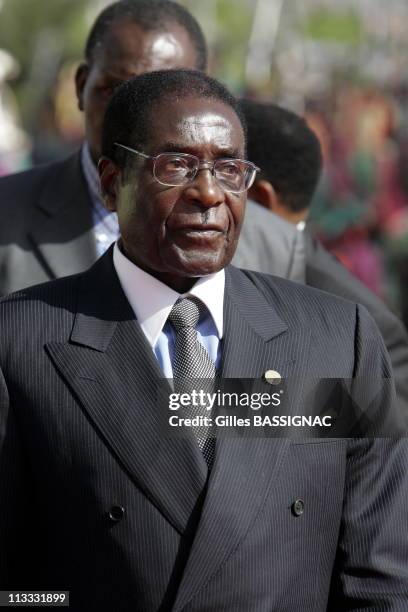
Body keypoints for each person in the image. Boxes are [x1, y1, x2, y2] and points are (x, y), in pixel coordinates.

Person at [0, 69, 406, 611]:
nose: (209, 193)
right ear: (109, 180)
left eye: (230, 168)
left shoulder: (336, 340)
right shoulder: (22, 341)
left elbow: (381, 579)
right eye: (177, 165)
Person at [0, 0, 207, 295]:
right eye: (114, 90)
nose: (133, 117)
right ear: (82, 86)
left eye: (162, 96)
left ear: (205, 98)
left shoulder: (268, 245)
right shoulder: (6, 216)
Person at [234, 100, 408, 415]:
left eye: (220, 171)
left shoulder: (360, 324)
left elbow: (387, 442)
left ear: (257, 197)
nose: (200, 191)